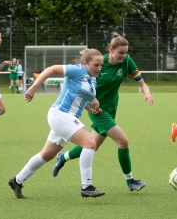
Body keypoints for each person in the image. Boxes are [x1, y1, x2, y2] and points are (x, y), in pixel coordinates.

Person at [52, 32, 154, 191]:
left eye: (125, 52)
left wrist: (147, 93)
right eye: (121, 52)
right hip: (97, 111)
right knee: (123, 141)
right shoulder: (98, 64)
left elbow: (142, 82)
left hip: (112, 108)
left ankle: (62, 157)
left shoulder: (127, 61)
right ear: (111, 49)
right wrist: (88, 105)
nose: (124, 56)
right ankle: (131, 181)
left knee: (92, 146)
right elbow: (80, 87)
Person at [8, 48, 105, 199]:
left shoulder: (92, 78)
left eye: (101, 65)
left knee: (46, 155)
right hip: (60, 114)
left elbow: (80, 97)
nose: (99, 68)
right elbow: (51, 69)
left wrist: (91, 111)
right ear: (85, 63)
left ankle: (17, 181)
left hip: (68, 119)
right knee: (90, 143)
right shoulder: (77, 71)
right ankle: (87, 186)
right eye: (96, 65)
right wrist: (34, 87)